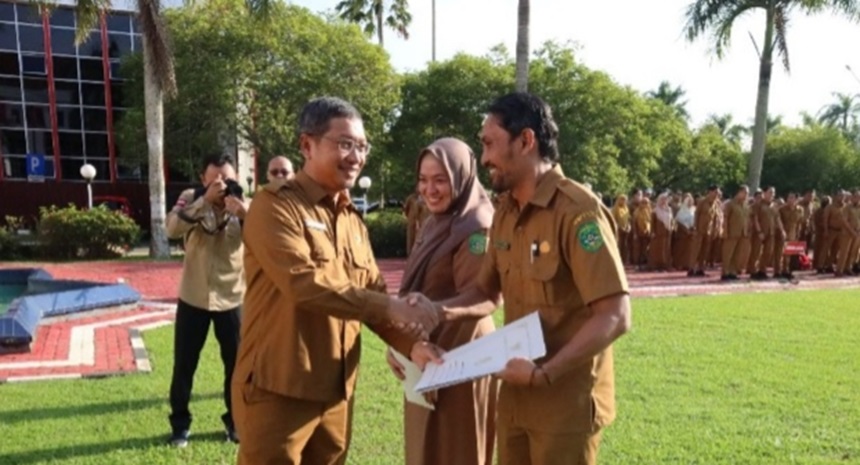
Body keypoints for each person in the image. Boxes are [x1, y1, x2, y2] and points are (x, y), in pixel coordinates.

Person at [412, 92, 632, 465]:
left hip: (564, 402)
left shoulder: (577, 212)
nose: (484, 158)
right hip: (515, 395)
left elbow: (615, 315)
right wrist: (436, 311)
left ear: (526, 140)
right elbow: (485, 291)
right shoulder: (505, 212)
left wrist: (543, 374)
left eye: (490, 144)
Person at [232, 97, 440, 465]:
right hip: (278, 389)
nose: (356, 157)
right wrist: (390, 306)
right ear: (307, 145)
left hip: (337, 392)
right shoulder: (275, 206)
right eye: (345, 144)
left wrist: (413, 347)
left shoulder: (351, 219)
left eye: (362, 146)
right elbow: (303, 283)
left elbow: (373, 294)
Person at [384, 137, 499, 465]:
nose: (429, 190)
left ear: (461, 177)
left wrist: (430, 316)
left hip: (461, 355)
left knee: (457, 449)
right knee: (425, 448)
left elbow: (480, 295)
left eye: (440, 180)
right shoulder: (437, 222)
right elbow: (415, 290)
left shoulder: (476, 227)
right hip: (427, 353)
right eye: (423, 180)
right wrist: (401, 344)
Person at [165, 153, 248, 447]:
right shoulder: (191, 197)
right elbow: (171, 229)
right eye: (215, 180)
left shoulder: (246, 203)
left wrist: (244, 214)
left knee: (237, 368)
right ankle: (180, 426)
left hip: (232, 297)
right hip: (194, 296)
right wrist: (204, 201)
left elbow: (267, 241)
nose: (222, 185)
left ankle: (236, 422)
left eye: (228, 179)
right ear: (203, 179)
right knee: (184, 365)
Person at [688, 186, 720, 277]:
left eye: (717, 193)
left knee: (704, 251)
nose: (716, 195)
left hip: (708, 231)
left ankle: (700, 268)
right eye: (715, 192)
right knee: (696, 250)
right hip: (699, 230)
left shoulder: (716, 204)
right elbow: (697, 214)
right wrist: (695, 227)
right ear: (710, 192)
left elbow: (715, 218)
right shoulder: (702, 202)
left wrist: (715, 230)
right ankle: (691, 268)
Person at [721, 185, 750, 280]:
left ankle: (732, 272)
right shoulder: (730, 204)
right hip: (731, 232)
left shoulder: (745, 206)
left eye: (747, 194)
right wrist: (725, 231)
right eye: (745, 193)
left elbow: (746, 219)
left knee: (737, 254)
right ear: (739, 192)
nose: (746, 195)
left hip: (742, 233)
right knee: (728, 253)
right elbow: (725, 218)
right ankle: (725, 272)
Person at [775, 192, 802, 279]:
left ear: (796, 199)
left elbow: (799, 222)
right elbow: (778, 220)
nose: (790, 200)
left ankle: (786, 270)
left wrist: (798, 233)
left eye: (792, 198)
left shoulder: (799, 210)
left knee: (789, 253)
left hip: (793, 233)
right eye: (789, 197)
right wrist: (782, 231)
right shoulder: (782, 209)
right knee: (779, 252)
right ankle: (777, 271)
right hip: (782, 232)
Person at [648, 193, 673, 271]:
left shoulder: (669, 210)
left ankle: (665, 265)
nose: (663, 201)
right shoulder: (655, 211)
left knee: (666, 249)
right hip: (658, 233)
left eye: (665, 199)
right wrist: (652, 232)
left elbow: (671, 221)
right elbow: (652, 223)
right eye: (662, 199)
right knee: (657, 250)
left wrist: (671, 228)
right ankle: (656, 266)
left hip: (667, 233)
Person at [611, 195, 631, 265]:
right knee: (619, 244)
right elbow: (613, 220)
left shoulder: (626, 208)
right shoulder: (615, 209)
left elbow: (628, 219)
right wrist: (619, 227)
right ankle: (617, 260)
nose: (624, 201)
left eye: (625, 200)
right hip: (618, 230)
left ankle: (624, 260)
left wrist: (628, 226)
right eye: (622, 199)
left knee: (625, 245)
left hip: (625, 230)